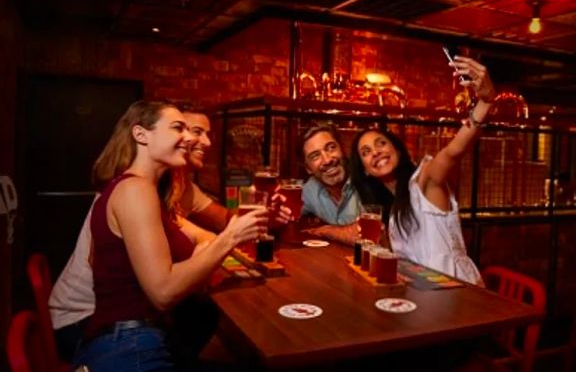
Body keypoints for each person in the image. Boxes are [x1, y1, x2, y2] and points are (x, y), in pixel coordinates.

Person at [51, 106, 291, 362]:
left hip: (132, 329)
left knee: (203, 313)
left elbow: (217, 225)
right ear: (142, 135)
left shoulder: (152, 191)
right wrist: (228, 238)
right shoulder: (135, 190)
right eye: (180, 128)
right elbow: (163, 292)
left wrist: (256, 220)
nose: (192, 139)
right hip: (111, 332)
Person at [349, 55, 495, 285]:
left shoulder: (424, 179)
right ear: (365, 170)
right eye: (366, 152)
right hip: (424, 299)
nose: (375, 152)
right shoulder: (392, 207)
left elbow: (453, 151)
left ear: (396, 149)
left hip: (461, 293)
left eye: (381, 143)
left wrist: (485, 103)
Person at [299, 124, 362, 245]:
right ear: (308, 168)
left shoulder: (366, 180)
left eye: (331, 148)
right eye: (315, 156)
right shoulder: (310, 189)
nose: (327, 160)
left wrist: (327, 231)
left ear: (342, 149)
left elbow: (370, 235)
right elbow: (283, 215)